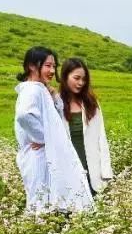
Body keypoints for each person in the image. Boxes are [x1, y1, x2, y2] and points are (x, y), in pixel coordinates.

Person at [14, 47, 93, 214]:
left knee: (48, 201)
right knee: (41, 203)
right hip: (39, 156)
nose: (52, 71)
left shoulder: (39, 88)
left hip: (44, 155)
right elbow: (24, 115)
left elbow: (54, 116)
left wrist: (54, 96)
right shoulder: (32, 89)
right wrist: (42, 138)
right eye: (48, 66)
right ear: (32, 66)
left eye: (54, 67)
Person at [59, 57, 114, 195]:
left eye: (84, 79)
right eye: (76, 78)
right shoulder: (56, 104)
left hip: (93, 172)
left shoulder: (91, 103)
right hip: (68, 172)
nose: (81, 83)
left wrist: (106, 172)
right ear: (65, 76)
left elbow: (102, 137)